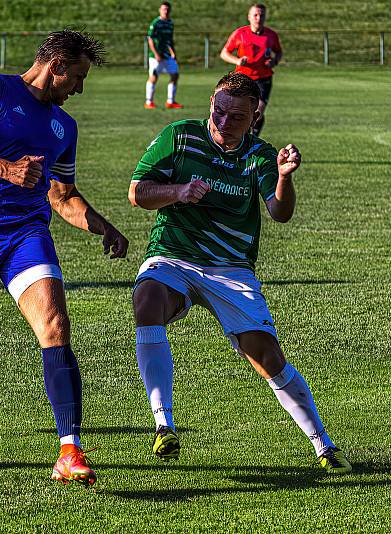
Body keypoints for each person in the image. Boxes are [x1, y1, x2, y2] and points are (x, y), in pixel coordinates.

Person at [0, 29, 129, 487]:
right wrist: (6, 169)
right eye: (76, 76)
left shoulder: (65, 127)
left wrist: (102, 225)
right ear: (55, 64)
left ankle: (69, 450)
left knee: (55, 325)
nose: (79, 88)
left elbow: (62, 195)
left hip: (26, 232)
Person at [127, 72, 351, 474]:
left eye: (235, 116)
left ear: (255, 114)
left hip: (231, 269)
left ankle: (324, 445)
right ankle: (164, 423)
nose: (223, 122)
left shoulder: (260, 155)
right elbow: (137, 192)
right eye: (218, 111)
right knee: (147, 300)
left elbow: (280, 212)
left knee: (267, 356)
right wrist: (177, 191)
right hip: (174, 255)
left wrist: (283, 177)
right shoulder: (180, 136)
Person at [219, 3, 282, 136]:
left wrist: (274, 61)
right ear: (249, 17)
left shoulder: (271, 35)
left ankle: (251, 138)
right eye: (255, 15)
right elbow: (224, 53)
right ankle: (244, 138)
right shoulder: (240, 33)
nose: (258, 18)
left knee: (258, 110)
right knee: (241, 110)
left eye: (261, 15)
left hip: (263, 78)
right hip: (243, 79)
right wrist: (237, 60)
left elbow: (278, 52)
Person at [145, 2, 183, 109]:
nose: (165, 11)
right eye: (163, 9)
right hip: (156, 55)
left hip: (167, 55)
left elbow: (169, 40)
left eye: (167, 9)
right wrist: (156, 54)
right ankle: (148, 102)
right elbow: (150, 39)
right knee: (154, 76)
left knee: (175, 75)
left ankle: (170, 101)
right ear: (160, 10)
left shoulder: (170, 23)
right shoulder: (156, 23)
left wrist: (173, 52)